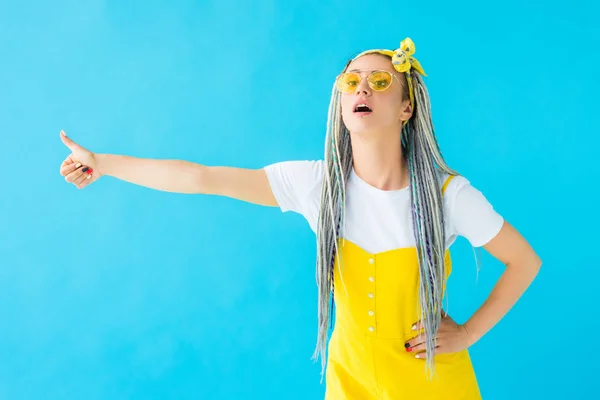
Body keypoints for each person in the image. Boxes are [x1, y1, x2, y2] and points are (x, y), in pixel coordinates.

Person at [58, 37, 542, 399]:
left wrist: (469, 333)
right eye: (351, 81)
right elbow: (200, 178)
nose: (363, 88)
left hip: (432, 384)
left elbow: (524, 261)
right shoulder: (316, 185)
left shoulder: (446, 195)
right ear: (342, 102)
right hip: (349, 381)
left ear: (406, 108)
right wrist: (104, 162)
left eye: (380, 81)